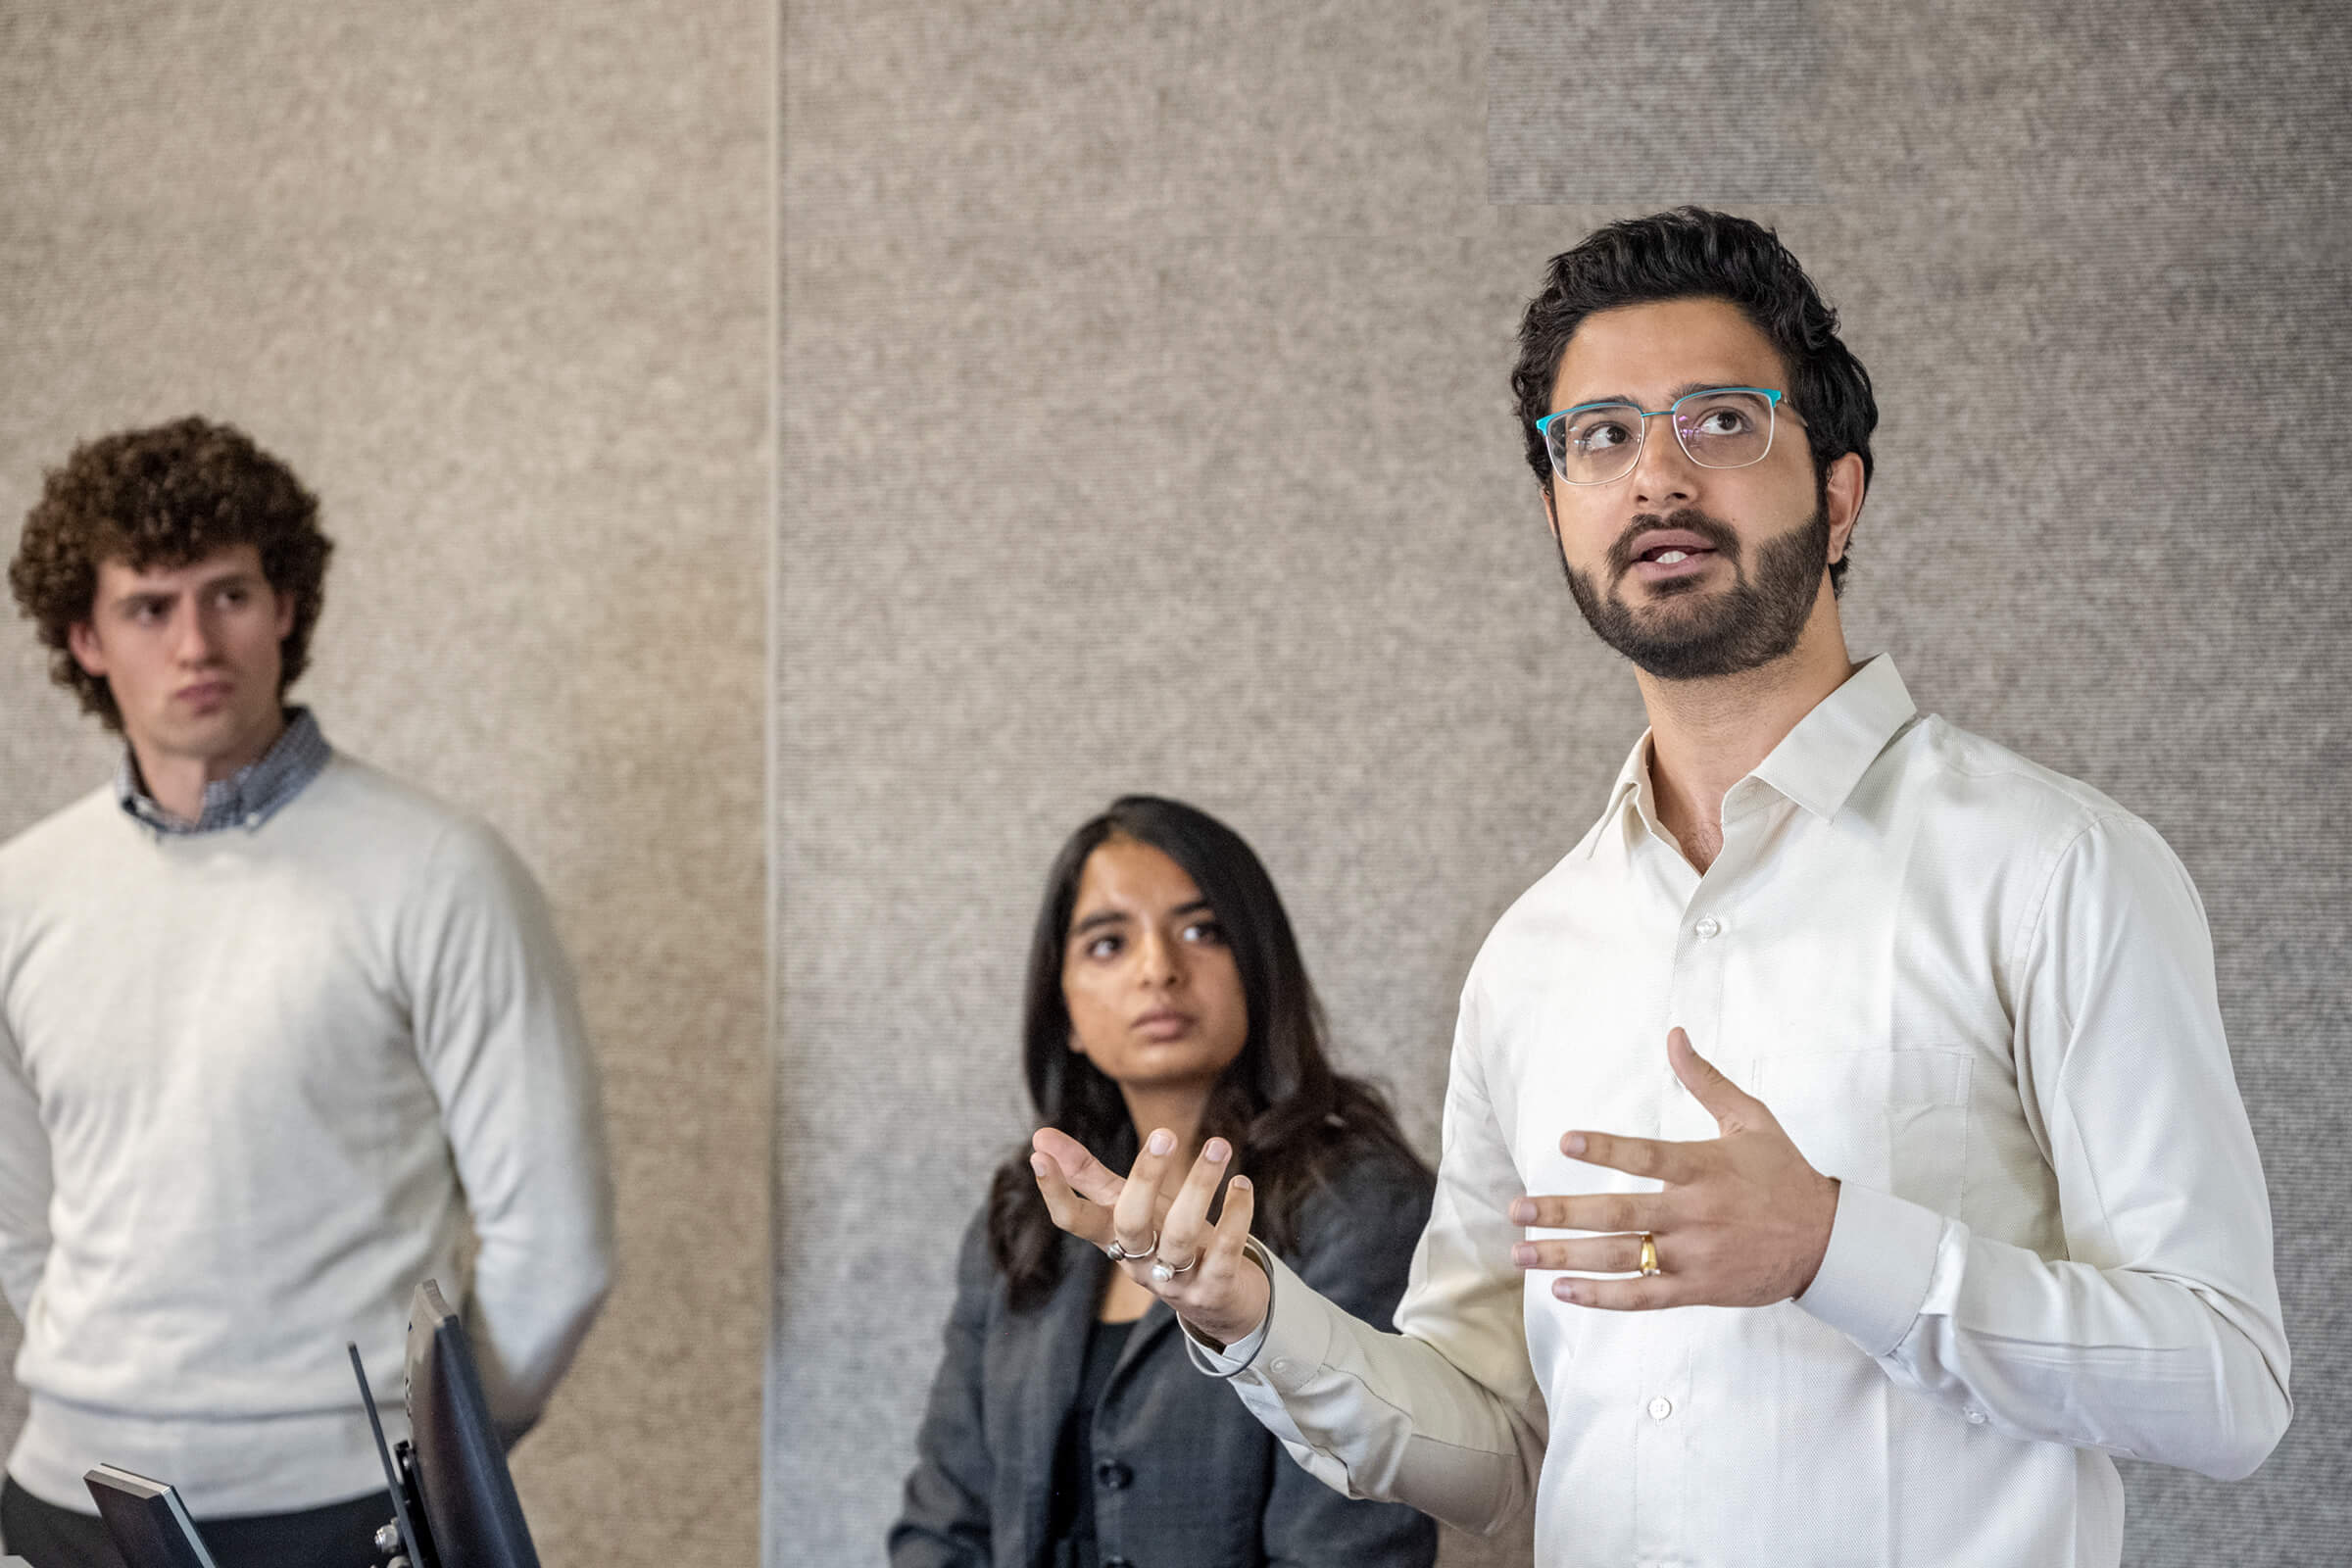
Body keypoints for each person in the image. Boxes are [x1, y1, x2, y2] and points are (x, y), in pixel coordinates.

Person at [1029, 210, 2291, 1567]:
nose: (1656, 477)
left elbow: (2227, 1387)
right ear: (1559, 507)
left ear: (1843, 492)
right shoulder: (1531, 955)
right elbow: (1494, 1443)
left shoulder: (2052, 870)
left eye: (1723, 422)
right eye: (1602, 437)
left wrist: (1832, 1251)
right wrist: (1253, 1318)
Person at [0, 416, 614, 1568]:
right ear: (84, 637)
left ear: (285, 605)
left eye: (229, 594)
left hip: (347, 1513)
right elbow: (18, 1227)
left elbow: (558, 1244)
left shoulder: (441, 870)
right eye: (149, 606)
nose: (196, 642)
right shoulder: (18, 896)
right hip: (67, 1501)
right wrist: (129, 1397)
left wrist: (442, 1459)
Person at [890, 795, 1439, 1568]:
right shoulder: (1028, 1210)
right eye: (1108, 944)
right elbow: (946, 1523)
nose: (1159, 969)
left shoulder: (1358, 1207)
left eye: (1201, 930)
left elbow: (1347, 1549)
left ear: (1260, 965)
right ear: (1067, 1011)